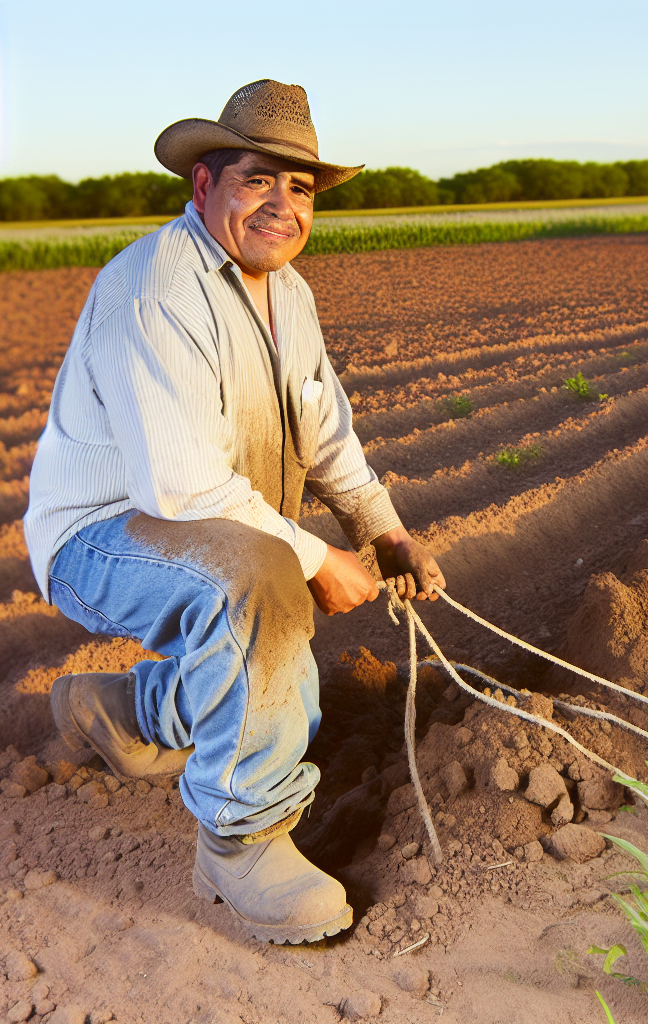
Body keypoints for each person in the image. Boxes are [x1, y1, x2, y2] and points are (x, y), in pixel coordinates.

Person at [24, 79, 445, 944]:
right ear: (203, 184)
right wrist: (318, 558)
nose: (283, 205)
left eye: (300, 188)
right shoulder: (155, 286)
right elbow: (180, 489)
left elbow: (326, 432)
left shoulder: (288, 293)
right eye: (260, 179)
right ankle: (240, 839)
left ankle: (119, 711)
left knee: (260, 597)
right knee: (259, 582)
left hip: (197, 528)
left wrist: (383, 531)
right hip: (100, 535)